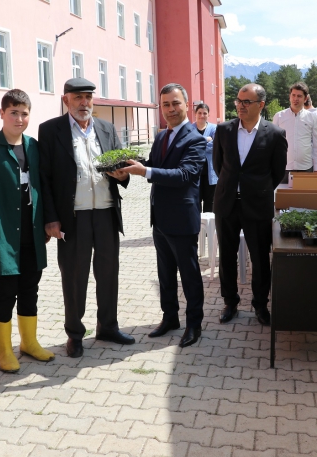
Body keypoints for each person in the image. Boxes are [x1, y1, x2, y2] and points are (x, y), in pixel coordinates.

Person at [38, 77, 134, 359]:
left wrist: (124, 175)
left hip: (105, 213)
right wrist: (51, 218)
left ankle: (108, 326)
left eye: (88, 97)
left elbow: (121, 168)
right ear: (66, 99)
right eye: (78, 97)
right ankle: (75, 334)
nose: (84, 103)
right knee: (74, 277)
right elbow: (44, 178)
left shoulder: (106, 128)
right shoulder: (50, 130)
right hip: (73, 218)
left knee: (108, 274)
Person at [0, 89, 53, 373]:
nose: (19, 118)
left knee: (30, 289)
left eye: (24, 113)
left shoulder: (34, 147)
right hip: (2, 233)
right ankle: (4, 350)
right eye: (13, 112)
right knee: (4, 292)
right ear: (1, 114)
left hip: (31, 232)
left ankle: (29, 342)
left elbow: (44, 186)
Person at [122, 83, 206, 347]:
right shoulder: (161, 136)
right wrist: (125, 168)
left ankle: (194, 325)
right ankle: (170, 318)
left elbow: (184, 175)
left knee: (189, 275)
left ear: (187, 105)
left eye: (175, 103)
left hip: (182, 220)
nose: (170, 109)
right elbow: (153, 165)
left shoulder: (195, 139)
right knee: (165, 274)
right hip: (159, 218)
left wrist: (144, 172)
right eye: (166, 104)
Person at [212, 83, 287, 325]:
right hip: (227, 203)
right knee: (227, 255)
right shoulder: (223, 130)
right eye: (238, 101)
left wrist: (257, 189)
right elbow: (218, 165)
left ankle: (260, 305)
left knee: (260, 258)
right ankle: (230, 302)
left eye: (246, 102)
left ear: (260, 105)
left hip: (257, 205)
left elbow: (277, 172)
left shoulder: (275, 134)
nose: (240, 106)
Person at [272, 82, 317, 183]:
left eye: (299, 96)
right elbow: (272, 144)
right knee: (282, 198)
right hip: (283, 168)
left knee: (304, 198)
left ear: (305, 98)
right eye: (293, 95)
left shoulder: (312, 118)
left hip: (306, 168)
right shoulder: (279, 116)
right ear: (289, 97)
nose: (295, 99)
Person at [193, 103, 217, 212]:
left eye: (205, 113)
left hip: (210, 173)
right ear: (195, 114)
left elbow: (215, 146)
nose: (202, 115)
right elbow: (188, 147)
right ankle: (197, 227)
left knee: (210, 201)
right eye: (199, 113)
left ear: (208, 115)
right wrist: (206, 140)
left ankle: (208, 227)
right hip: (194, 173)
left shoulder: (214, 128)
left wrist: (197, 142)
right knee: (195, 201)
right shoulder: (189, 128)